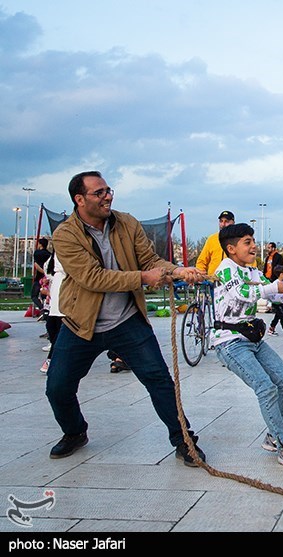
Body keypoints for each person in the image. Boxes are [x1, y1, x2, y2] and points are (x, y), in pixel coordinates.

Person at [46, 170, 207, 466]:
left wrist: (177, 271)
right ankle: (75, 432)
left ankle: (184, 440)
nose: (107, 196)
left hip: (127, 320)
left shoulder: (127, 223)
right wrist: (144, 278)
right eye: (99, 193)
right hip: (81, 324)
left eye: (109, 190)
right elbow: (92, 277)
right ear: (79, 200)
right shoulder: (65, 234)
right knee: (58, 387)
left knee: (159, 380)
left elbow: (150, 261)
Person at [211, 223, 283, 470]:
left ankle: (273, 435)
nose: (254, 245)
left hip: (253, 339)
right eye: (247, 242)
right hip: (230, 341)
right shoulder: (226, 269)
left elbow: (272, 295)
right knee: (265, 388)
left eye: (253, 240)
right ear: (232, 248)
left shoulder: (253, 271)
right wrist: (274, 286)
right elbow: (243, 294)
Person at [40, 254, 64, 373]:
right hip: (55, 296)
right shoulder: (53, 255)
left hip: (65, 297)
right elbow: (47, 270)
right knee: (52, 327)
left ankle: (51, 359)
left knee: (60, 333)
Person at [195, 211, 236, 276]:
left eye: (226, 221)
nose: (223, 224)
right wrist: (201, 276)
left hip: (234, 282)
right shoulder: (212, 239)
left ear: (233, 223)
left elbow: (248, 261)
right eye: (221, 221)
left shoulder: (239, 240)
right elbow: (202, 261)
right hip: (213, 281)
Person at [267, 265, 283, 338]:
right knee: (282, 316)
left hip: (282, 302)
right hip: (276, 303)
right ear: (281, 274)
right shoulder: (276, 283)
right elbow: (270, 294)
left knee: (277, 316)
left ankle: (271, 329)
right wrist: (269, 304)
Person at [32, 238, 51, 318]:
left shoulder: (37, 253)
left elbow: (36, 265)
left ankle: (42, 308)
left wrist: (42, 272)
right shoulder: (49, 254)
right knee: (44, 294)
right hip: (47, 277)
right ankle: (46, 309)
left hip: (39, 277)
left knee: (34, 295)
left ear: (40, 244)